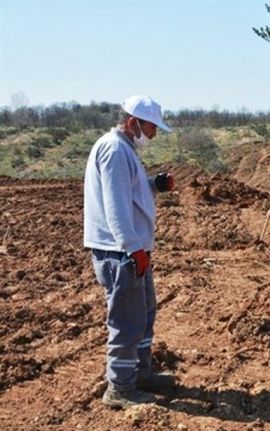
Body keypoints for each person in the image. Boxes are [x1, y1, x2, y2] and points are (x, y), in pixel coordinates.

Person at [84, 95, 176, 408]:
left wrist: (155, 184)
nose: (154, 135)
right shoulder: (113, 149)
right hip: (120, 252)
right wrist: (132, 248)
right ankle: (120, 388)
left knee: (145, 313)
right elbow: (116, 205)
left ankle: (140, 374)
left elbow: (132, 190)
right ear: (133, 122)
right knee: (127, 320)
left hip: (133, 251)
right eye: (151, 128)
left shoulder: (126, 149)